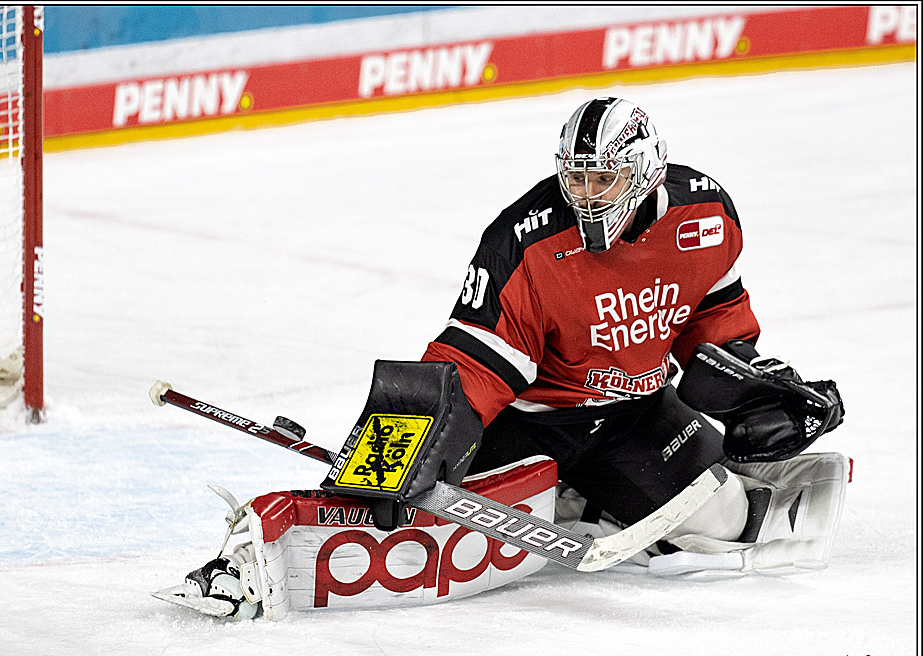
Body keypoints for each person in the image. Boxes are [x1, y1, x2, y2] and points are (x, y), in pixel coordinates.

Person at [160, 97, 847, 620]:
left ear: (644, 172)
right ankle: (253, 557)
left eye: (603, 180)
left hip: (636, 414)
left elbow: (715, 315)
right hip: (530, 421)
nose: (586, 197)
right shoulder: (524, 242)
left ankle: (584, 496)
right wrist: (407, 446)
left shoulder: (705, 216)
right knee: (402, 517)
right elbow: (474, 364)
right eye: (576, 179)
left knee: (725, 522)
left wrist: (746, 382)